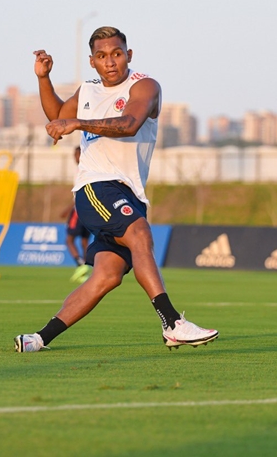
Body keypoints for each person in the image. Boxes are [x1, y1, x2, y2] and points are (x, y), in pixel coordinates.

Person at [14, 26, 218, 352]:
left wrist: (78, 124)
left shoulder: (145, 86)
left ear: (129, 55)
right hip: (96, 186)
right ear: (92, 62)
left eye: (117, 54)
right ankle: (172, 323)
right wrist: (43, 79)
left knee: (106, 276)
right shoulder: (88, 90)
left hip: (130, 192)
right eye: (102, 56)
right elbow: (57, 115)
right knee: (139, 234)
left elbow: (129, 124)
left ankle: (38, 339)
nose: (111, 62)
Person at [62, 146, 93, 283]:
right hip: (91, 209)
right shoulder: (92, 169)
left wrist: (69, 209)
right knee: (84, 241)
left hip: (79, 209)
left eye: (77, 154)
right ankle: (85, 269)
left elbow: (79, 194)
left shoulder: (82, 170)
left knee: (69, 240)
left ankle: (80, 264)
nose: (75, 157)